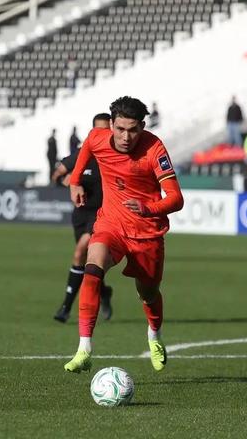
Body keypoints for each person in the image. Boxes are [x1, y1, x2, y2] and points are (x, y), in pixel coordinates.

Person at [63, 96, 184, 374]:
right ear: (111, 125)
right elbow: (86, 148)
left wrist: (148, 208)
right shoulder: (97, 137)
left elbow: (176, 198)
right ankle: (84, 349)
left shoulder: (154, 148)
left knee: (148, 293)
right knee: (92, 269)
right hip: (111, 225)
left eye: (132, 130)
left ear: (142, 127)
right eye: (120, 129)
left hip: (147, 233)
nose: (126, 137)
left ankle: (154, 335)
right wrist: (75, 181)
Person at [51, 113, 114, 323]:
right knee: (89, 262)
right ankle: (104, 292)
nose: (102, 135)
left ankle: (65, 308)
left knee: (80, 252)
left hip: (102, 215)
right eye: (98, 131)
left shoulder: (115, 157)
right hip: (80, 215)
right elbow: (57, 176)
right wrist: (67, 181)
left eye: (106, 131)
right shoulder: (82, 153)